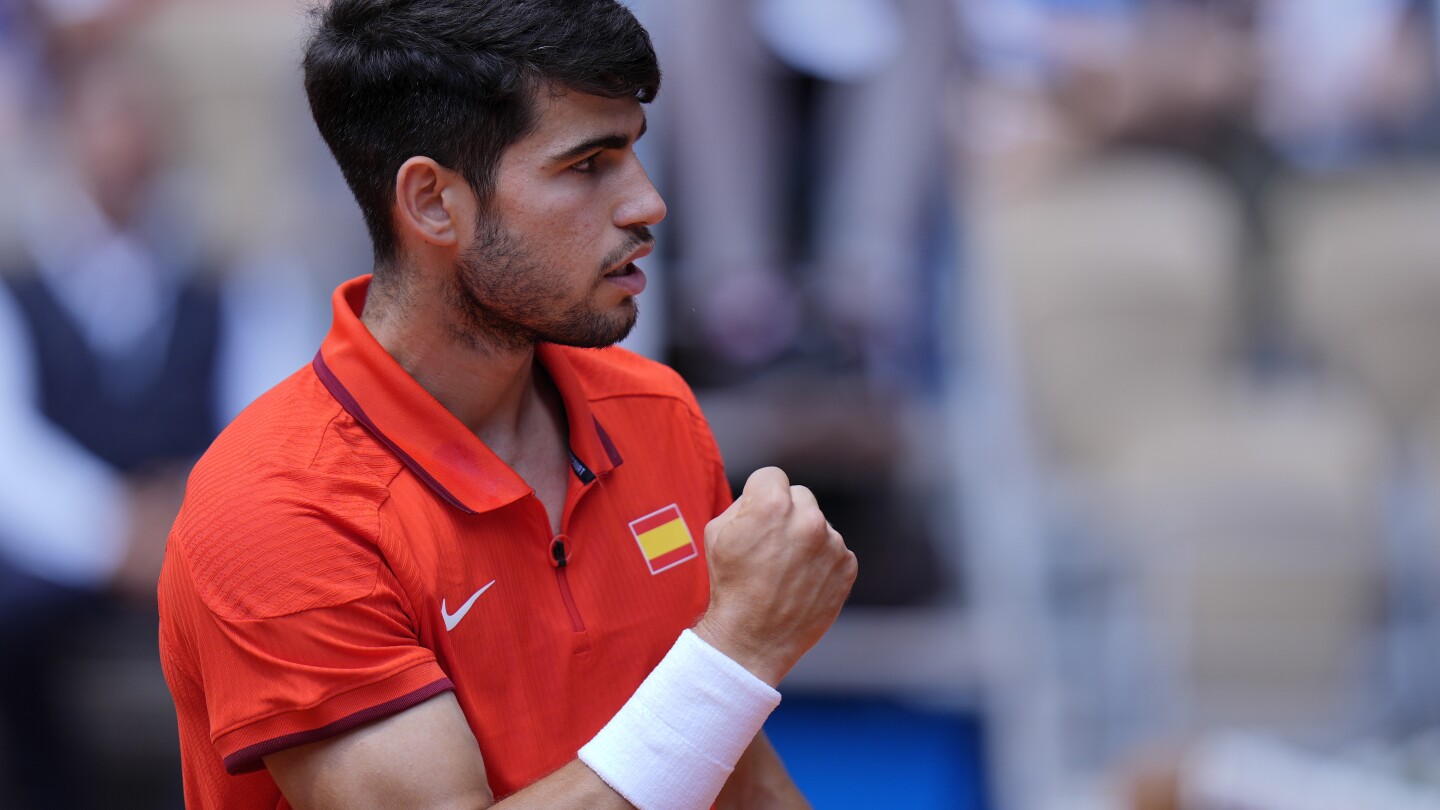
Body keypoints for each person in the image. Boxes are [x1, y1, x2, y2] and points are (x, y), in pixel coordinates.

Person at [155, 1, 858, 808]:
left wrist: (726, 671)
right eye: (588, 165)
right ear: (431, 203)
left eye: (633, 151)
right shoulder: (275, 510)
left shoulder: (656, 408)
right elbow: (710, 700)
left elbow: (727, 769)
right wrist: (734, 654)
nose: (648, 203)